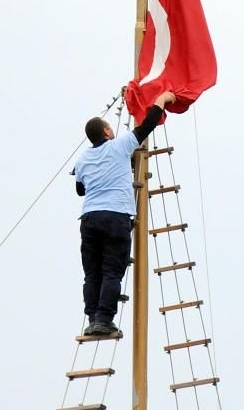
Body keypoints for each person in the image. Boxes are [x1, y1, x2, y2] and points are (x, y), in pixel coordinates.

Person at [74, 90, 176, 337]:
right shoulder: (119, 146)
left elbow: (80, 189)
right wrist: (161, 100)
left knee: (92, 273)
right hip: (115, 216)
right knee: (111, 270)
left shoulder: (83, 158)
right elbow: (147, 125)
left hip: (89, 218)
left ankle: (93, 319)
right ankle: (104, 320)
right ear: (107, 132)